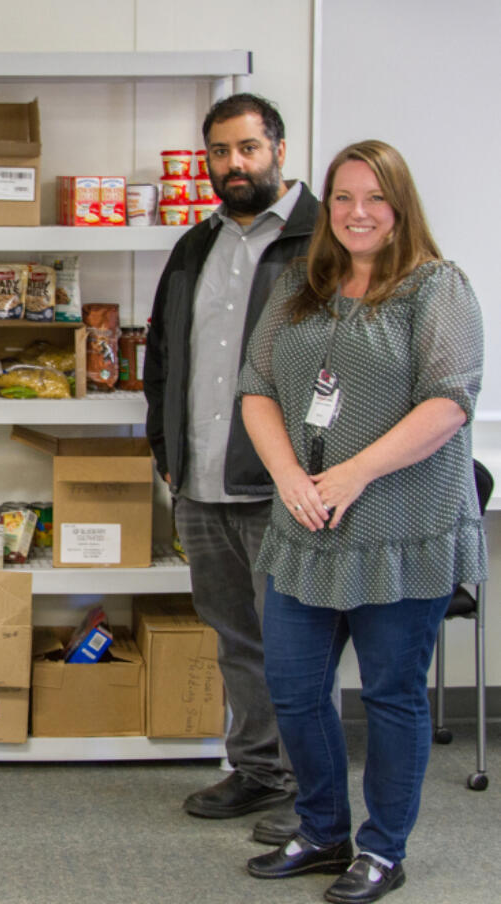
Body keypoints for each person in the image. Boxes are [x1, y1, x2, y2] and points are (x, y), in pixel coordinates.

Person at [239, 140, 485, 904]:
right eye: (343, 198)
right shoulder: (300, 286)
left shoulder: (438, 289)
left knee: (390, 695)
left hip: (399, 526)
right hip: (305, 526)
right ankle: (320, 830)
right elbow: (257, 388)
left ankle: (383, 850)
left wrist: (350, 474)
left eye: (374, 198)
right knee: (294, 687)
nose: (357, 213)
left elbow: (448, 402)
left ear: (400, 205)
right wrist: (291, 478)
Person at [143, 93, 319, 843]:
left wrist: (312, 472)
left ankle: (313, 792)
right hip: (202, 485)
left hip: (282, 487)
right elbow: (162, 360)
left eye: (247, 148)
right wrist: (167, 455)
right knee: (235, 638)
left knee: (296, 643)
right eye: (219, 152)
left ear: (277, 146)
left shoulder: (322, 242)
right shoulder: (195, 246)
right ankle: (257, 770)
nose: (234, 164)